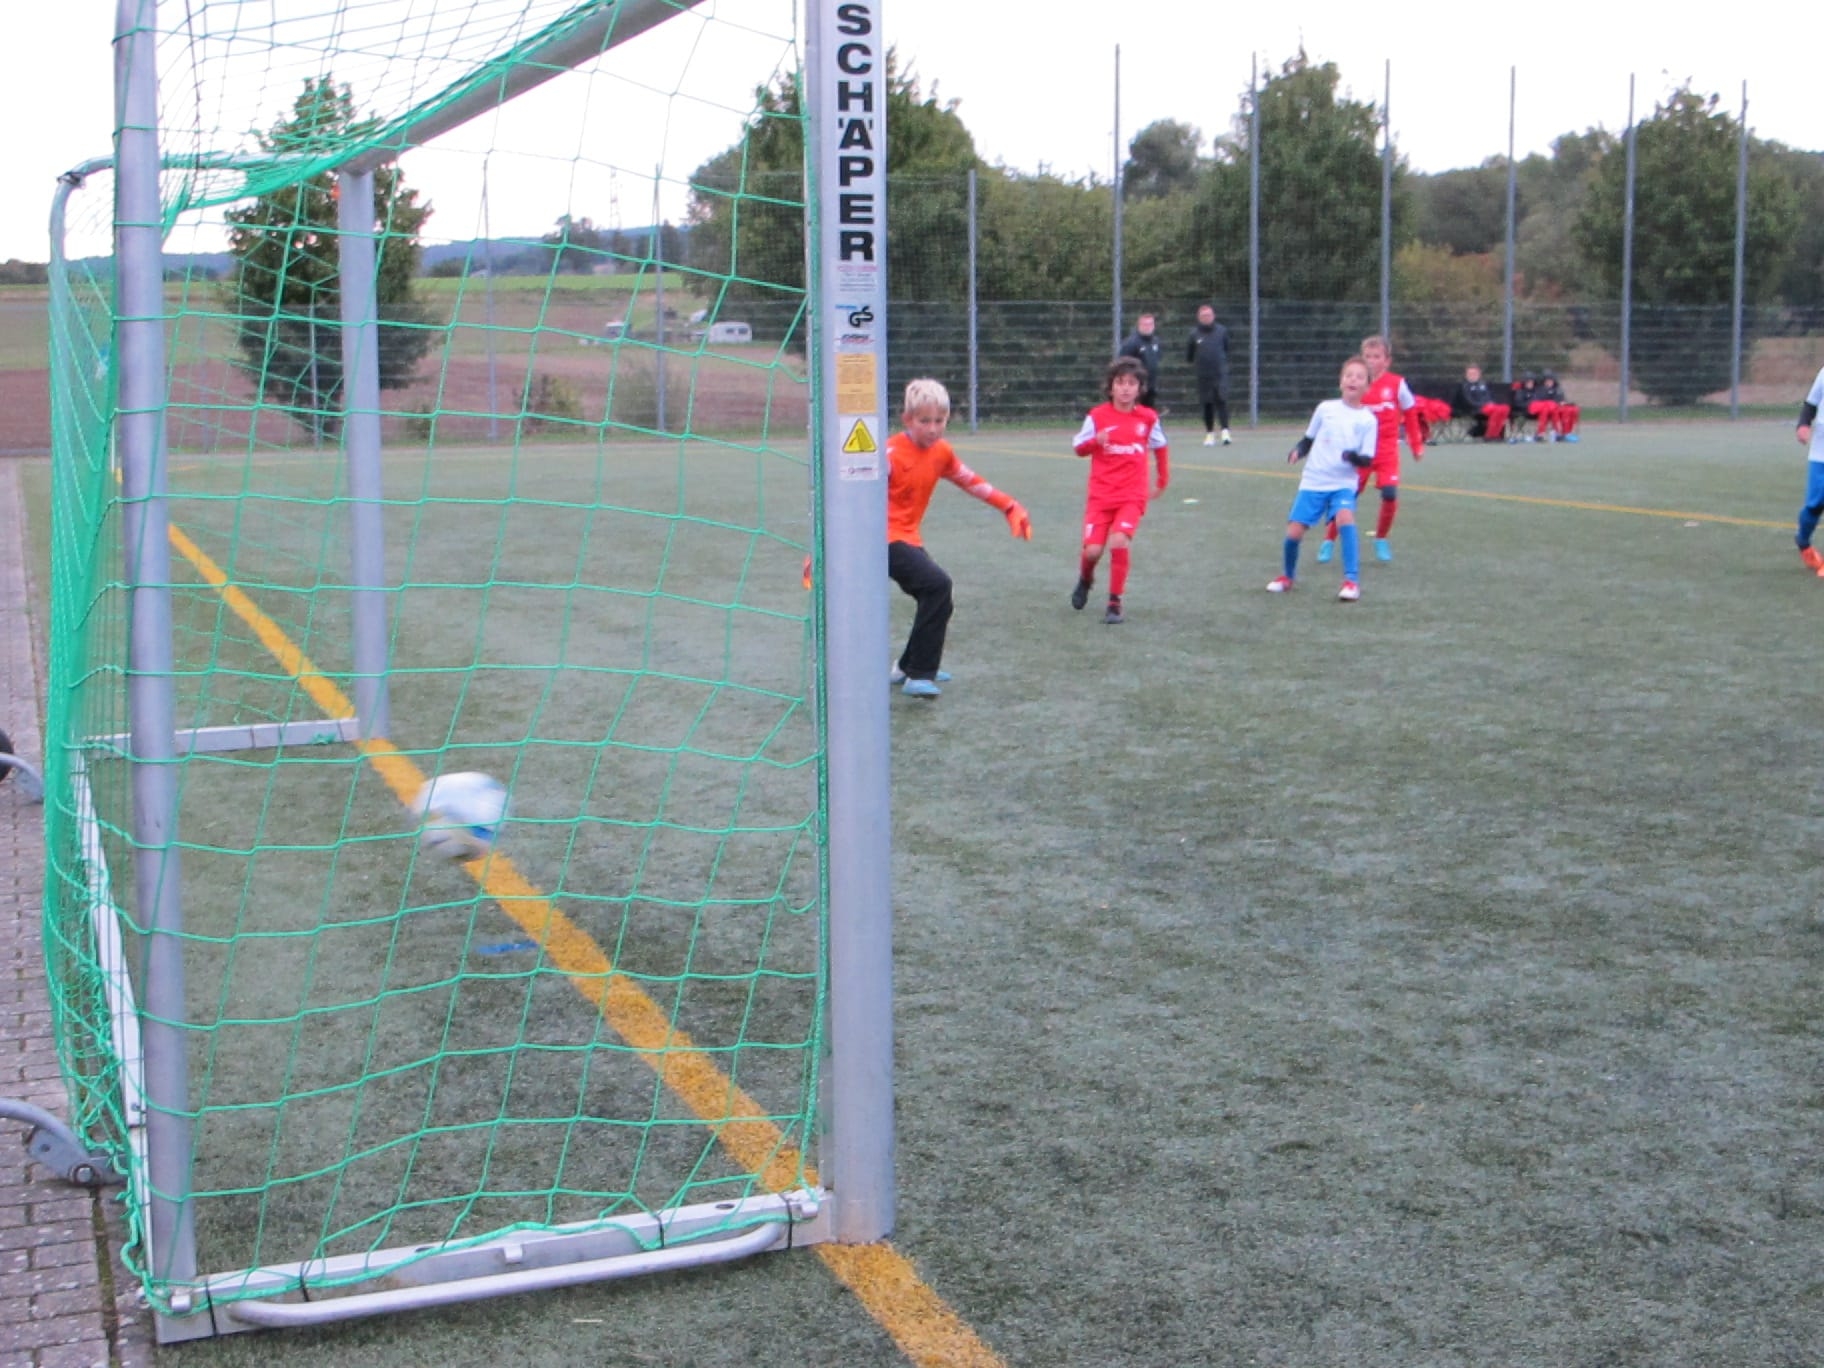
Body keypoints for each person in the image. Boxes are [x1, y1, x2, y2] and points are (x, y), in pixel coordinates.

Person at [883, 378, 1032, 697]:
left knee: (938, 596)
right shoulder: (889, 455)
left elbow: (971, 481)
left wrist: (1009, 506)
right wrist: (820, 550)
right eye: (925, 421)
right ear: (907, 419)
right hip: (882, 541)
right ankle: (919, 675)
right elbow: (852, 501)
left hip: (908, 538)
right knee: (937, 586)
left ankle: (907, 667)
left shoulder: (942, 452)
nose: (933, 429)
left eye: (940, 421)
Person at [1268, 355, 1378, 601]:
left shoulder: (1368, 420)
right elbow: (1308, 440)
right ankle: (1287, 577)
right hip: (1314, 481)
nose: (1353, 380)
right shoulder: (1325, 409)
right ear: (1341, 381)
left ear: (1367, 386)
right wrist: (1298, 451)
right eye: (1348, 375)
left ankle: (1351, 581)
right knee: (1294, 533)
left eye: (1359, 377)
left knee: (1345, 518)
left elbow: (1367, 460)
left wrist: (1352, 457)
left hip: (1343, 483)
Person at [1070, 356, 1170, 624]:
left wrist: (1162, 480)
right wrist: (1095, 442)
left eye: (1131, 383)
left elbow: (1160, 447)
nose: (1126, 388)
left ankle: (1114, 603)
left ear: (1140, 389)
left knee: (1118, 541)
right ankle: (1085, 579)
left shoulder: (1148, 418)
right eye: (1120, 382)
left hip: (1131, 496)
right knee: (1092, 551)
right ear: (1111, 387)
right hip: (1100, 496)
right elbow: (1078, 448)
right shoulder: (1097, 416)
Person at [1319, 334, 1423, 563]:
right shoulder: (1357, 385)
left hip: (1386, 451)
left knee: (1389, 494)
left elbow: (1411, 412)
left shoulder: (1397, 384)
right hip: (1360, 452)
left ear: (1387, 361)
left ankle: (1381, 538)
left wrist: (1416, 443)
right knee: (1347, 497)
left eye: (1377, 357)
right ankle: (1329, 540)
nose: (1372, 361)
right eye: (1368, 356)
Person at [1186, 303, 1232, 446]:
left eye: (1209, 315)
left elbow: (1227, 349)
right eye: (1204, 316)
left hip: (1219, 373)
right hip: (1203, 376)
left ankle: (1225, 432)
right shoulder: (1194, 334)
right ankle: (1209, 434)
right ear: (1199, 317)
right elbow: (1189, 355)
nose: (1206, 318)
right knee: (1207, 404)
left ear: (1213, 316)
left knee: (1222, 400)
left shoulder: (1222, 331)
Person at [1794, 364, 1824, 575]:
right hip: (1820, 453)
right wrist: (1803, 425)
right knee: (1815, 505)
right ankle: (1803, 541)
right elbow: (1810, 404)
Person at [1118, 312, 1163, 409]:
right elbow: (1122, 365)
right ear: (1139, 325)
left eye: (1150, 324)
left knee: (1149, 412)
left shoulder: (1156, 341)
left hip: (1151, 386)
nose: (1148, 327)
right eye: (1145, 324)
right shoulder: (1131, 343)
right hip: (1137, 387)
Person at [1456, 364, 1510, 442]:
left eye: (1475, 373)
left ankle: (1497, 434)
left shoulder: (1483, 385)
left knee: (1505, 408)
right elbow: (1469, 401)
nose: (1472, 376)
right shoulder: (1464, 386)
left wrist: (1491, 403)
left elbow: (1489, 397)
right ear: (1466, 375)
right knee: (1497, 410)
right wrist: (1483, 405)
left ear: (1479, 374)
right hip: (1476, 408)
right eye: (1470, 374)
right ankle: (1490, 435)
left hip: (1488, 407)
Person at [1535, 372, 1580, 442]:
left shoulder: (1557, 389)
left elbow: (1561, 400)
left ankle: (1567, 433)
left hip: (1559, 408)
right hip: (1547, 410)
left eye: (1550, 380)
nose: (1549, 382)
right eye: (1547, 381)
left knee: (1572, 409)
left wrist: (1565, 403)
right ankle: (1553, 433)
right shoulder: (1541, 389)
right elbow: (1541, 401)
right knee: (1557, 411)